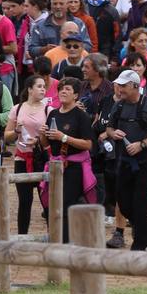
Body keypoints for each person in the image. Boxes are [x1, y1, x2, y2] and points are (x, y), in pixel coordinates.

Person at [103, 69, 147, 252]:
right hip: (124, 162)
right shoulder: (119, 106)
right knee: (124, 205)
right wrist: (113, 133)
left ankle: (139, 246)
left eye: (123, 86)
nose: (119, 89)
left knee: (141, 205)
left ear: (135, 86)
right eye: (118, 85)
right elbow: (109, 128)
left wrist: (142, 144)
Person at [43, 77, 97, 242]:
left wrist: (64, 137)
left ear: (76, 95)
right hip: (54, 165)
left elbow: (88, 144)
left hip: (74, 167)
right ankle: (55, 241)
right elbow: (46, 145)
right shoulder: (53, 113)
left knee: (66, 206)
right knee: (52, 206)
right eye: (61, 88)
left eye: (67, 89)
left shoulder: (81, 116)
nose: (63, 91)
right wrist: (42, 134)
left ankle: (66, 244)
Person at [4, 75, 51, 236]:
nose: (43, 89)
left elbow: (53, 136)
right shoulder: (17, 109)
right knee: (24, 201)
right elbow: (7, 136)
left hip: (41, 159)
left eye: (44, 86)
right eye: (39, 86)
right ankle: (22, 237)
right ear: (30, 89)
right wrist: (16, 131)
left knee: (47, 202)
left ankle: (54, 238)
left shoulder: (48, 109)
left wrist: (39, 139)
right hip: (22, 158)